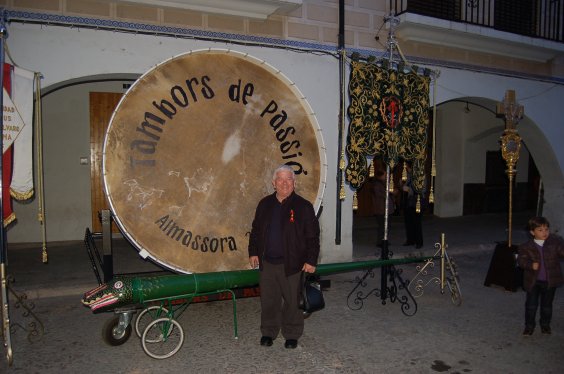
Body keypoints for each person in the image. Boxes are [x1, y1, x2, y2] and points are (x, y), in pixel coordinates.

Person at [248, 164, 320, 349]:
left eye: (289, 179)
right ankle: (268, 332)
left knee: (292, 302)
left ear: (294, 183)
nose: (284, 183)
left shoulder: (303, 207)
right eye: (280, 179)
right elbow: (255, 231)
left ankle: (292, 334)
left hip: (293, 264)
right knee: (269, 301)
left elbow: (312, 236)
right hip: (268, 263)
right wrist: (253, 252)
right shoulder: (264, 204)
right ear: (274, 183)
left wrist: (311, 260)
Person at [517, 216, 564, 336]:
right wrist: (530, 265)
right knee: (531, 306)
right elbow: (521, 262)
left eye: (546, 229)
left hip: (549, 281)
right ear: (532, 232)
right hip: (533, 281)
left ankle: (545, 325)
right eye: (540, 230)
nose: (545, 232)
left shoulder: (555, 243)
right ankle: (529, 326)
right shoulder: (526, 247)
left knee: (547, 306)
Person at [371, 169, 396, 248]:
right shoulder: (377, 185)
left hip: (387, 209)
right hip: (381, 209)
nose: (386, 176)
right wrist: (390, 192)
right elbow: (380, 195)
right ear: (381, 176)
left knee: (387, 226)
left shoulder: (384, 183)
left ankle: (384, 240)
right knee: (382, 226)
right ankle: (380, 242)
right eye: (385, 175)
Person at [401, 164, 423, 249]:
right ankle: (410, 240)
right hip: (408, 202)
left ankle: (419, 242)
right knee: (408, 222)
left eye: (408, 167)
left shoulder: (421, 176)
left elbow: (421, 189)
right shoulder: (408, 176)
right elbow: (405, 187)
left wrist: (409, 189)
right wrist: (402, 186)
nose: (407, 169)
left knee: (417, 223)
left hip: (416, 201)